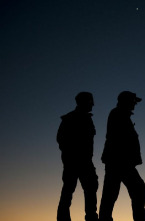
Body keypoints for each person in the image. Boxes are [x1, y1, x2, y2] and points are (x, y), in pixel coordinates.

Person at [99, 91, 145, 221]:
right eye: (133, 101)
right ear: (126, 101)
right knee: (135, 189)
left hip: (120, 161)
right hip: (120, 161)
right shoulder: (118, 114)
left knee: (113, 192)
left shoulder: (121, 115)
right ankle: (139, 218)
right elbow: (119, 139)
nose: (135, 104)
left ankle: (106, 217)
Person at [57, 92, 99, 221]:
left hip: (86, 161)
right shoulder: (70, 118)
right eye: (91, 101)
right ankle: (63, 218)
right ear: (84, 102)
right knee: (69, 190)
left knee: (90, 189)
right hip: (74, 162)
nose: (93, 104)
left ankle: (91, 217)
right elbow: (61, 139)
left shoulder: (87, 118)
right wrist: (72, 157)